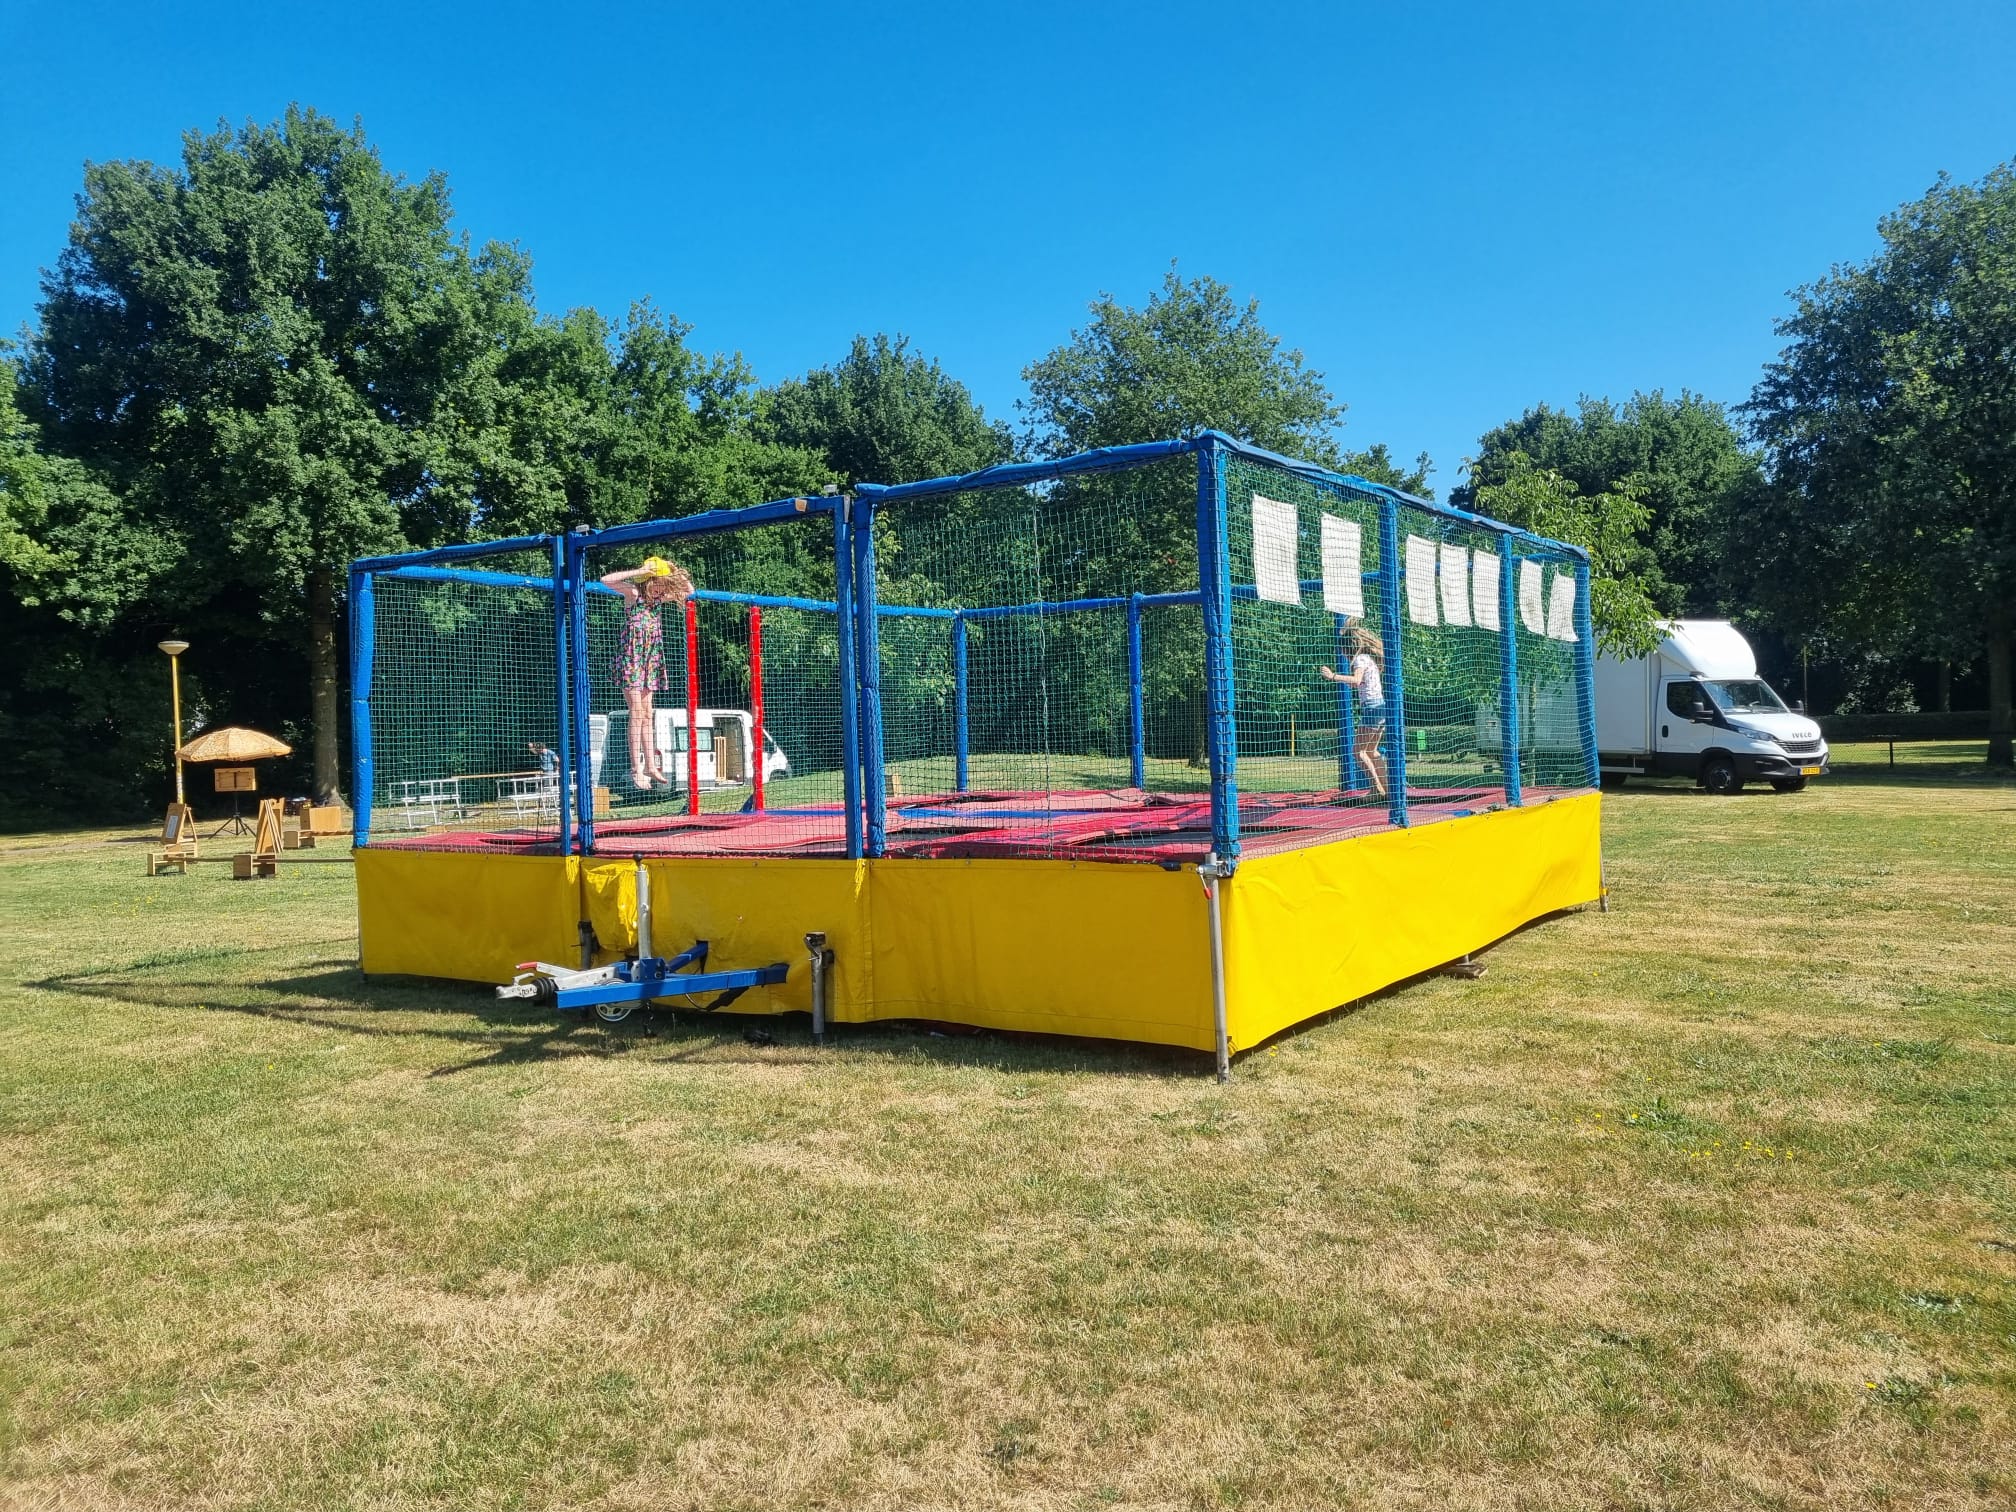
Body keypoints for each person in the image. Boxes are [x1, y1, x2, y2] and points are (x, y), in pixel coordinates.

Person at [600, 555, 694, 790]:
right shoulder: (634, 594)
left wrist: (671, 569)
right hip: (631, 658)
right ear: (648, 581)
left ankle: (651, 765)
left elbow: (689, 591)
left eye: (663, 584)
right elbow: (606, 580)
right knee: (637, 711)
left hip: (650, 658)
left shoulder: (658, 599)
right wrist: (639, 571)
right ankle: (636, 769)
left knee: (647, 713)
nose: (661, 588)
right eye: (657, 583)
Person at [1320, 624, 1390, 799]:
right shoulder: (1368, 659)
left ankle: (1376, 789)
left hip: (1371, 707)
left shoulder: (1360, 660)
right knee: (1372, 751)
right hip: (1380, 706)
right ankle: (1388, 788)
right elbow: (1360, 682)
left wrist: (1333, 676)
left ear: (1348, 648)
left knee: (1358, 752)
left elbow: (1356, 680)